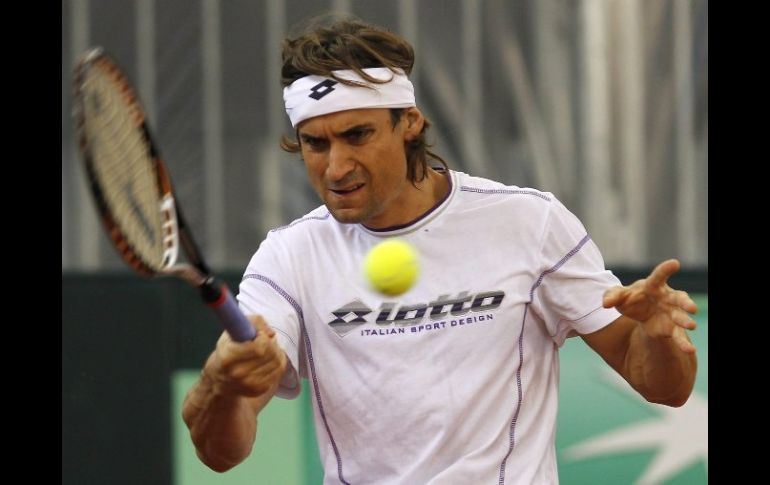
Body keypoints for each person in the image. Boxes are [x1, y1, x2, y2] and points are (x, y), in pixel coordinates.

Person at [182, 17, 698, 484]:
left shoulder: (529, 223)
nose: (336, 167)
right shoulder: (288, 258)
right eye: (316, 144)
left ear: (409, 122)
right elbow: (223, 453)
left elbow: (665, 387)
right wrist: (220, 384)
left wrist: (657, 338)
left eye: (357, 134)